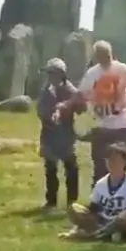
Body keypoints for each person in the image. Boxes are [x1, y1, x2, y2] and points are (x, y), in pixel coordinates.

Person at [59, 40, 126, 183]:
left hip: (122, 124)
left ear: (111, 54)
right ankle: (100, 194)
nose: (105, 58)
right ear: (96, 57)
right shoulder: (92, 73)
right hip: (101, 125)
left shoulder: (122, 69)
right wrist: (67, 105)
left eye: (107, 55)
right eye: (101, 55)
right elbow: (81, 94)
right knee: (100, 165)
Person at [60, 142, 126, 243]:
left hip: (121, 222)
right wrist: (73, 231)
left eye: (115, 160)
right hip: (102, 223)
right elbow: (92, 211)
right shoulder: (101, 184)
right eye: (109, 159)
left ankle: (98, 234)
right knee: (74, 208)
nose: (111, 163)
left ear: (124, 162)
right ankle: (104, 234)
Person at [36, 58, 80, 212]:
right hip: (49, 135)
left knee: (71, 169)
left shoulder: (71, 91)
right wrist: (48, 117)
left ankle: (72, 201)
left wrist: (65, 110)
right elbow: (40, 109)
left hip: (66, 137)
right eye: (49, 73)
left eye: (52, 73)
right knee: (50, 170)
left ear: (61, 74)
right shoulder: (46, 90)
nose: (50, 77)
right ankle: (51, 201)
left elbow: (79, 107)